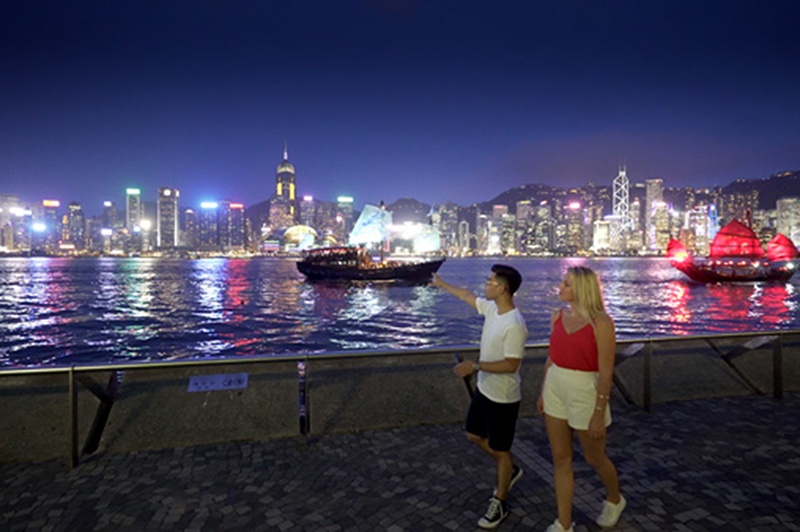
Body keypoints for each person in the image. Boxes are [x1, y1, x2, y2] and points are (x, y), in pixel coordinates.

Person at [431, 264, 528, 529]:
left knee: (500, 449)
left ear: (503, 288)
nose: (485, 285)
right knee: (474, 435)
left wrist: (475, 366)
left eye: (490, 281)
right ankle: (510, 468)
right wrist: (443, 284)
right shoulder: (492, 309)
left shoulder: (515, 324)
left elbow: (511, 364)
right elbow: (466, 295)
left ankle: (500, 502)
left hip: (503, 397)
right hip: (485, 390)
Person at [537, 266, 626, 532]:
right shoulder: (557, 316)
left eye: (566, 284)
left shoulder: (601, 323)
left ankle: (615, 498)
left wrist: (599, 411)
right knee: (560, 458)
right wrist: (543, 391)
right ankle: (563, 523)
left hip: (585, 390)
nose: (560, 288)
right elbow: (551, 358)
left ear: (581, 289)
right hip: (556, 385)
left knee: (594, 457)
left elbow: (606, 370)